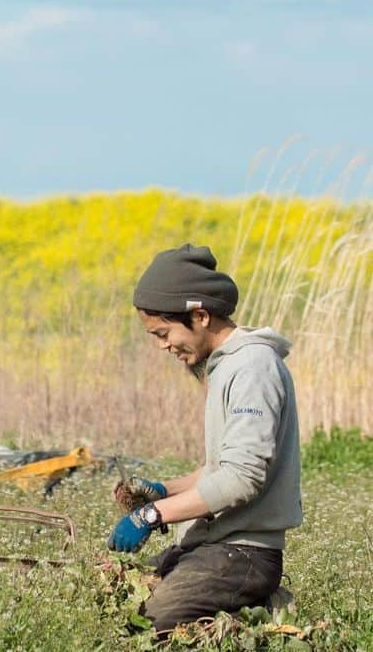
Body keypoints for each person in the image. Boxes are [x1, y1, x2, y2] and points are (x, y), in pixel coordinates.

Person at [106, 244, 302, 634]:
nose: (163, 345)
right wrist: (163, 490)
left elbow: (243, 478)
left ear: (199, 315)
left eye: (164, 333)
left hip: (241, 555)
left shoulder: (252, 369)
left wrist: (151, 515)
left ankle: (255, 615)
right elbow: (221, 469)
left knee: (142, 627)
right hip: (211, 546)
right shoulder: (229, 367)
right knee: (111, 597)